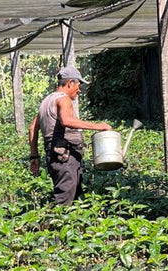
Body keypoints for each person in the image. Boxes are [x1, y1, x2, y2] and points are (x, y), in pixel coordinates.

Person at [29, 66, 111, 205]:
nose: (79, 90)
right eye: (78, 85)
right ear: (70, 83)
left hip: (55, 155)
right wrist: (99, 126)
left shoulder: (46, 101)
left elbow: (32, 129)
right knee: (64, 199)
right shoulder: (63, 99)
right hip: (65, 155)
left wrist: (34, 156)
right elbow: (67, 121)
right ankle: (50, 225)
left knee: (74, 196)